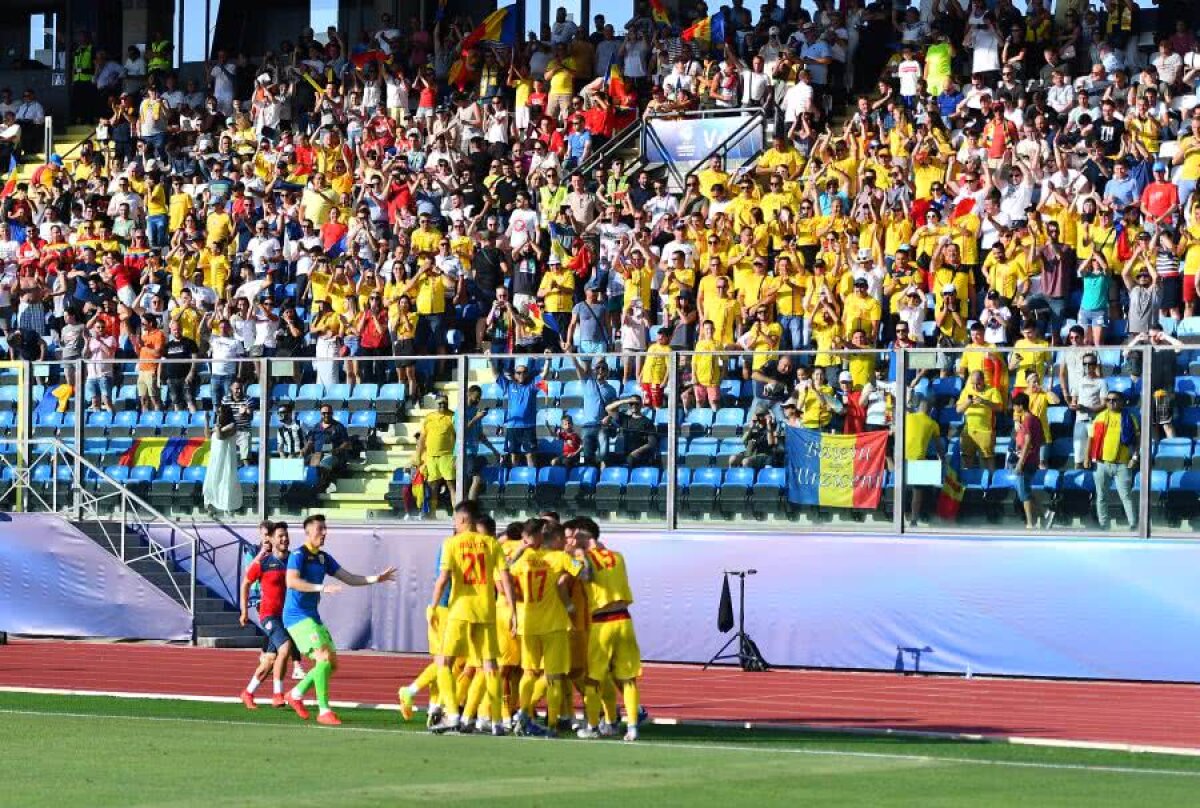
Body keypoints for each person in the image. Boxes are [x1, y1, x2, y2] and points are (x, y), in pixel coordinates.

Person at [282, 513, 397, 725]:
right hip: (296, 616)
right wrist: (322, 588)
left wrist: (376, 578)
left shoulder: (324, 558)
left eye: (325, 529)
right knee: (323, 658)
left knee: (331, 665)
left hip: (311, 616)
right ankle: (324, 711)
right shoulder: (298, 555)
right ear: (308, 533)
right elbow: (292, 582)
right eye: (320, 529)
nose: (324, 533)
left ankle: (295, 694)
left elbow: (350, 578)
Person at [428, 500, 517, 735]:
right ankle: (497, 721)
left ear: (463, 520)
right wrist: (513, 610)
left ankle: (453, 714)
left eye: (455, 520)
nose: (454, 524)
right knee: (491, 666)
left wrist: (433, 605)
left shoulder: (452, 543)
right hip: (486, 610)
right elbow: (505, 578)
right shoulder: (491, 544)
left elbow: (443, 578)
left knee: (445, 662)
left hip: (460, 610)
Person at [506, 518, 585, 737]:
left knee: (529, 673)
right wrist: (576, 556)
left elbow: (507, 571)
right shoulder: (559, 557)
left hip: (529, 624)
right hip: (553, 625)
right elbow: (584, 573)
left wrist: (522, 547)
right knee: (554, 676)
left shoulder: (526, 559)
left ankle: (523, 712)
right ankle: (551, 725)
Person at [572, 517, 642, 742]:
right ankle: (632, 727)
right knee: (628, 678)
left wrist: (579, 557)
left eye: (576, 536)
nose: (573, 540)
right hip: (624, 620)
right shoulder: (618, 556)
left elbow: (586, 576)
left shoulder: (582, 557)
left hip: (602, 622)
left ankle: (592, 726)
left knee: (593, 679)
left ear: (586, 536)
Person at [238, 521, 297, 709]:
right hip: (269, 615)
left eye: (286, 535)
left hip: (286, 617)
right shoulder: (264, 563)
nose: (285, 539)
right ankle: (278, 694)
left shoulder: (294, 560)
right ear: (270, 539)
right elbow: (246, 583)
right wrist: (244, 610)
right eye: (280, 535)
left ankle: (247, 693)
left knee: (270, 661)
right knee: (285, 648)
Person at [1089, 391, 1139, 532]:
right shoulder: (1100, 417)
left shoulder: (1130, 418)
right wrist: (1088, 457)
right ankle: (1104, 525)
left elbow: (1137, 440)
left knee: (1126, 496)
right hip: (1101, 463)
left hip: (1122, 464)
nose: (1111, 402)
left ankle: (1133, 525)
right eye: (1108, 400)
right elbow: (1091, 439)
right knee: (1101, 496)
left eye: (1115, 400)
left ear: (1122, 402)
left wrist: (1135, 457)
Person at [904, 395, 943, 526]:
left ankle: (904, 515)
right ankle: (914, 519)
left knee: (903, 488)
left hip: (902, 458)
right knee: (918, 490)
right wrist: (943, 460)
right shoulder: (932, 423)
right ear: (931, 410)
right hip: (918, 459)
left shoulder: (907, 418)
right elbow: (938, 446)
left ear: (917, 407)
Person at [415, 395, 456, 513]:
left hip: (447, 456)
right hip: (431, 457)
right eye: (440, 403)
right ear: (435, 403)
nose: (442, 405)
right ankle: (432, 513)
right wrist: (418, 455)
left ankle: (456, 513)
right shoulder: (429, 418)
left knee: (451, 485)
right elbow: (422, 438)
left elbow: (458, 436)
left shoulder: (453, 416)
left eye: (444, 403)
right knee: (433, 486)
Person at [1009, 392, 1044, 530]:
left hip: (1027, 461)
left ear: (1020, 406)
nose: (1014, 409)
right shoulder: (1034, 419)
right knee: (1026, 490)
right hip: (1031, 459)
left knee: (1023, 493)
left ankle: (1030, 523)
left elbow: (1028, 442)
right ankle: (1046, 514)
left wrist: (1020, 462)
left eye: (1015, 406)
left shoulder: (1028, 420)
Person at [203, 404, 242, 516]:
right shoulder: (217, 426)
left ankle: (228, 507)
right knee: (212, 480)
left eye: (220, 412)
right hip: (215, 458)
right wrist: (207, 421)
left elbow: (220, 436)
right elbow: (207, 436)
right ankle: (211, 506)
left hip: (226, 458)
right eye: (217, 413)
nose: (218, 414)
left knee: (226, 481)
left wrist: (218, 426)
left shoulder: (232, 426)